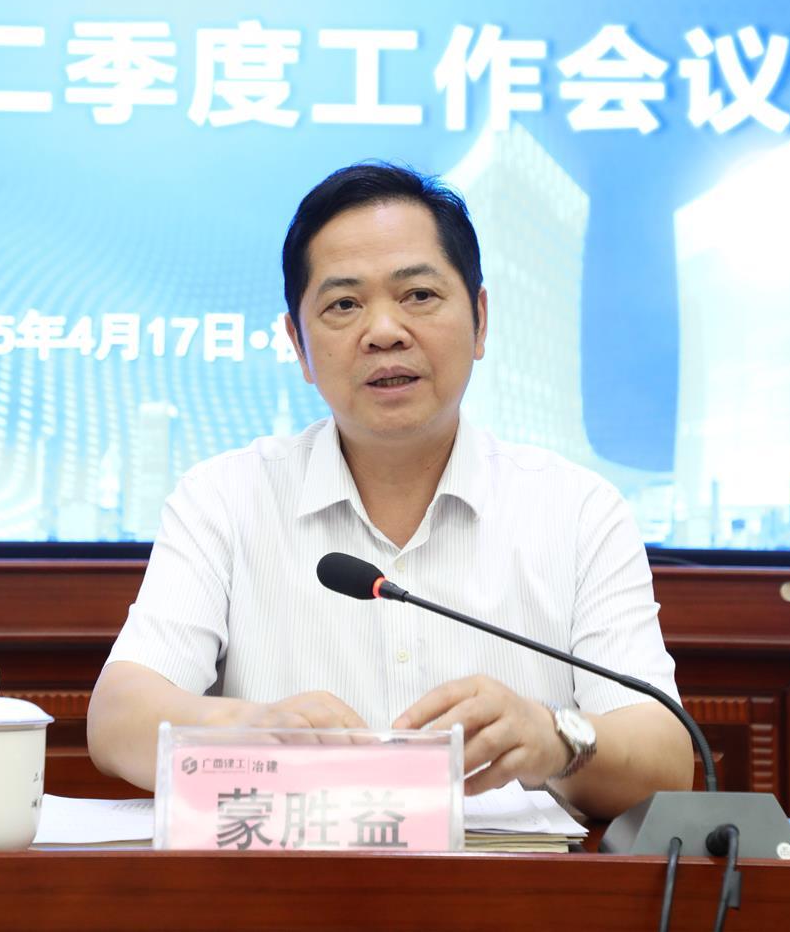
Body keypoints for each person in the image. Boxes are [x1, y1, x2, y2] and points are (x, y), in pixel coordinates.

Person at [87, 163, 693, 818]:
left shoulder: (577, 511)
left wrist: (555, 738)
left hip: (511, 879)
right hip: (285, 875)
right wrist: (247, 728)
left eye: (419, 295)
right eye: (344, 305)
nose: (383, 331)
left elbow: (666, 758)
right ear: (299, 346)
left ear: (480, 319)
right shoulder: (225, 498)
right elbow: (118, 718)